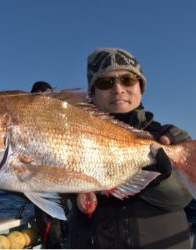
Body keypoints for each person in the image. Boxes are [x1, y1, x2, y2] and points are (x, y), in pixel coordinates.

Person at [68, 48, 193, 248]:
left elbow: (183, 198)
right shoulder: (70, 136)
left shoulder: (170, 137)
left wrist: (160, 179)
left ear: (141, 87)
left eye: (127, 80)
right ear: (91, 93)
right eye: (105, 83)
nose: (118, 89)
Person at [30, 80, 68, 248]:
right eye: (44, 95)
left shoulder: (61, 117)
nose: (49, 99)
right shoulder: (29, 119)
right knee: (50, 229)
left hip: (65, 181)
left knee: (69, 223)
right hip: (42, 182)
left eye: (51, 95)